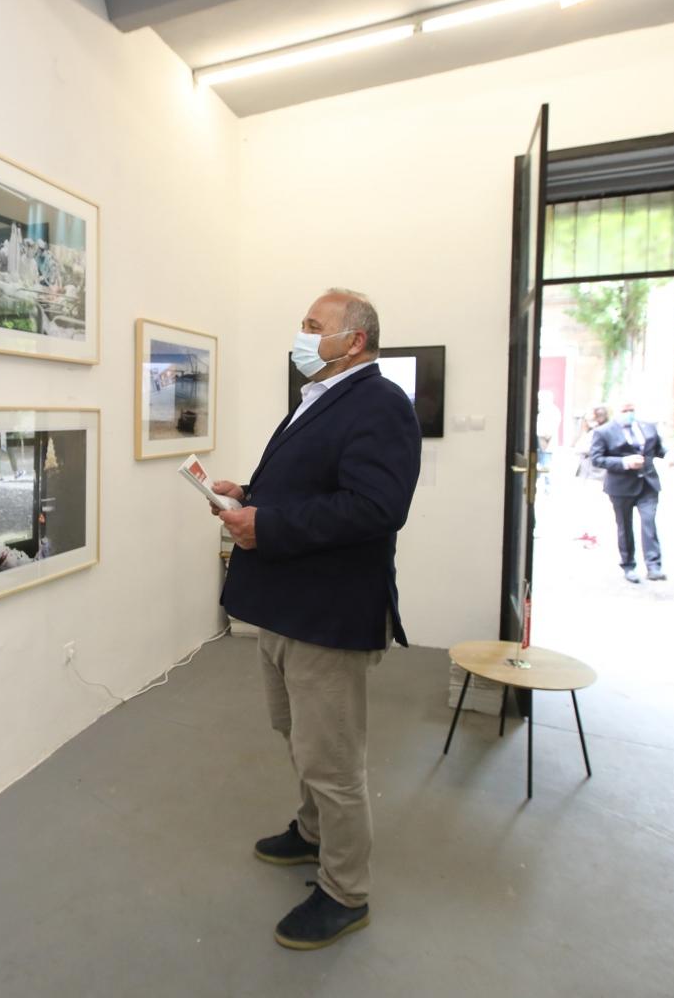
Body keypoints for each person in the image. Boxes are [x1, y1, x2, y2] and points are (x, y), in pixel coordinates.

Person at [212, 288, 420, 951]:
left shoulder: (382, 405)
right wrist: (250, 495)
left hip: (328, 613)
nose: (301, 337)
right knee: (295, 733)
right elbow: (316, 486)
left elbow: (374, 507)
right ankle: (310, 832)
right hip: (284, 604)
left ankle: (345, 892)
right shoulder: (319, 400)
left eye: (313, 327)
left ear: (353, 340)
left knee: (332, 760)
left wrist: (266, 524)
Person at [589, 400, 666, 583]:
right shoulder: (604, 431)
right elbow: (597, 459)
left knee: (649, 522)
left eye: (632, 409)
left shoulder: (648, 427)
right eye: (625, 410)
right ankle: (628, 565)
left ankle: (654, 565)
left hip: (648, 483)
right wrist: (624, 463)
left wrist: (670, 455)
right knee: (625, 526)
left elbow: (658, 450)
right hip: (621, 486)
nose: (629, 413)